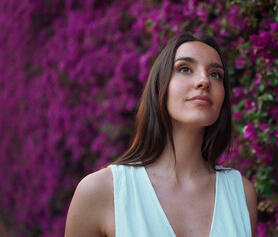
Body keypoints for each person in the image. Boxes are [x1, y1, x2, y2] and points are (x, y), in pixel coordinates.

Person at [65, 34, 257, 237]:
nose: (204, 81)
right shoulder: (101, 191)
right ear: (159, 88)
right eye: (184, 69)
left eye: (216, 74)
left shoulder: (241, 194)